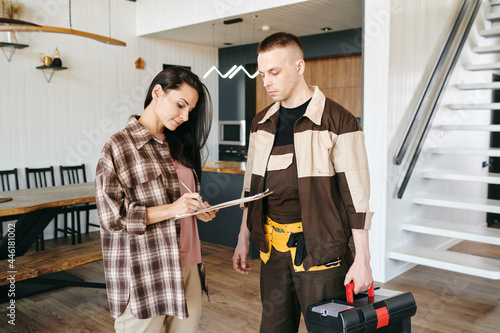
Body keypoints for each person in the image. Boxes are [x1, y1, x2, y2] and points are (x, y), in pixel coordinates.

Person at [232, 32, 374, 332]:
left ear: (299, 67)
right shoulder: (260, 123)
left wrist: (363, 259)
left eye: (274, 72)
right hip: (272, 252)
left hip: (322, 254)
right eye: (262, 74)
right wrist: (243, 237)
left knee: (326, 329)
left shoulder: (339, 120)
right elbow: (251, 188)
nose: (266, 82)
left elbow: (357, 199)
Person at [95, 66, 217, 333]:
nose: (185, 116)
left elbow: (180, 197)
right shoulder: (118, 146)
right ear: (157, 92)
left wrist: (196, 208)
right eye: (181, 105)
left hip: (189, 265)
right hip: (146, 271)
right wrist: (173, 209)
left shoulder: (180, 144)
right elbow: (112, 217)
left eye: (191, 111)